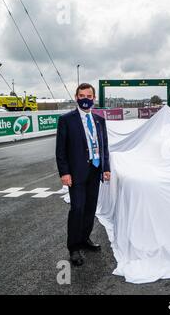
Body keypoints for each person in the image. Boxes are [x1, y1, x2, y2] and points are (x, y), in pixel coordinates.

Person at [56, 83, 111, 266]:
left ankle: (85, 239)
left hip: (95, 171)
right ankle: (74, 247)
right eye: (82, 95)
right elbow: (61, 150)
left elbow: (104, 147)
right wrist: (64, 172)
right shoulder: (66, 120)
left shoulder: (99, 120)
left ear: (94, 98)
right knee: (77, 209)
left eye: (89, 95)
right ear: (76, 97)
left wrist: (106, 167)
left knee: (90, 208)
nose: (85, 98)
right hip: (76, 173)